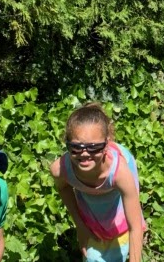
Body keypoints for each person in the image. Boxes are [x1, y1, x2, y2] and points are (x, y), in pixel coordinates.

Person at [50, 103, 145, 262]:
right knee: (93, 257)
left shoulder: (121, 172)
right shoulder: (60, 170)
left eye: (94, 147)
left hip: (117, 192)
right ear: (67, 143)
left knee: (122, 239)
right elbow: (64, 189)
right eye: (76, 147)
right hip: (90, 204)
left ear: (107, 144)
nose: (84, 154)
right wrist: (80, 226)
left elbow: (135, 227)